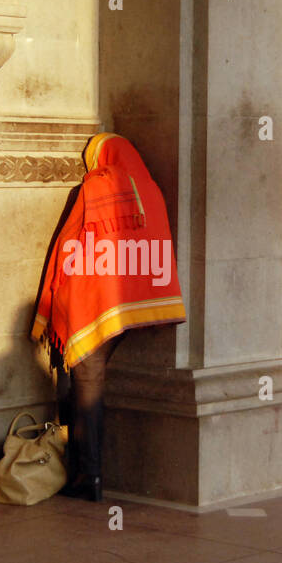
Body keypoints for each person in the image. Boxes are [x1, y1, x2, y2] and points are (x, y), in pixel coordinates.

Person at [32, 132, 185, 501]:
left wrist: (50, 303)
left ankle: (90, 477)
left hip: (92, 303)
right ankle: (91, 474)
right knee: (92, 384)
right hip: (126, 306)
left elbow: (69, 245)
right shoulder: (150, 190)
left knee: (87, 388)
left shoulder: (95, 187)